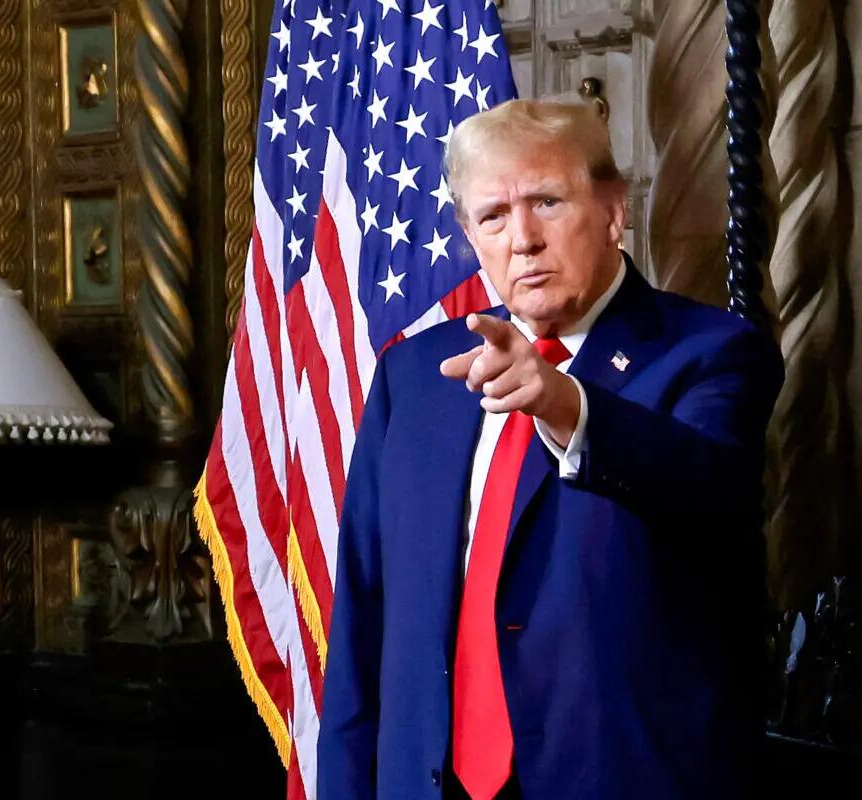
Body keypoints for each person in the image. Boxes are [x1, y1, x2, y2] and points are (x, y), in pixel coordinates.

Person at [316, 98, 782, 800]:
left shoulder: (711, 355)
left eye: (548, 202)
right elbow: (362, 616)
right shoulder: (415, 377)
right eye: (494, 216)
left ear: (613, 211)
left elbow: (708, 483)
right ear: (471, 236)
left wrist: (567, 406)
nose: (522, 239)